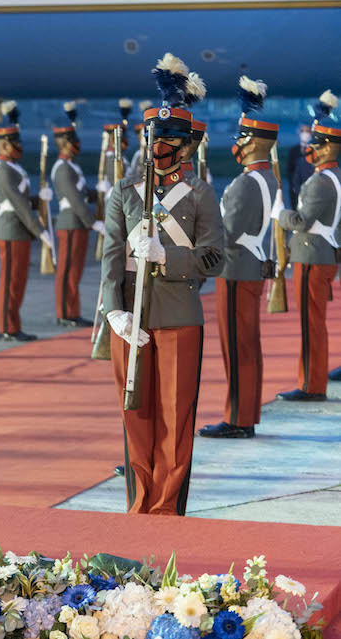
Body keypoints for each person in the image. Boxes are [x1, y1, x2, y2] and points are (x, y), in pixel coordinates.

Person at [101, 52, 225, 515]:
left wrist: (167, 256)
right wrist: (113, 310)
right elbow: (111, 257)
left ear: (188, 146)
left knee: (175, 417)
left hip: (178, 315)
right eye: (156, 135)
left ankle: (167, 506)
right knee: (136, 414)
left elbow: (215, 256)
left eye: (172, 137)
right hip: (129, 316)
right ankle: (140, 500)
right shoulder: (124, 194)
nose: (162, 144)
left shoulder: (201, 194)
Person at [201, 76, 278, 438]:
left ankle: (238, 418)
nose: (237, 144)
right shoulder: (269, 179)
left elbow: (226, 233)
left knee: (236, 346)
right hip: (252, 263)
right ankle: (245, 413)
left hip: (234, 268)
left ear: (252, 143)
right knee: (247, 344)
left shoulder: (246, 183)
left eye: (241, 138)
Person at [273, 89, 341, 399]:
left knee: (310, 324)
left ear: (328, 148)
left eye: (315, 143)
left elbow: (301, 221)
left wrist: (280, 214)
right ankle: (312, 382)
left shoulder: (319, 182)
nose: (310, 148)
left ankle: (311, 386)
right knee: (313, 323)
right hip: (319, 255)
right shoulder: (333, 176)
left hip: (312, 257)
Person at [0, 101, 52, 341]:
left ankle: (13, 324)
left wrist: (39, 199)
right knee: (10, 282)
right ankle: (7, 327)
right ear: (4, 144)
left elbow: (24, 200)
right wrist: (39, 230)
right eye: (14, 143)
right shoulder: (4, 169)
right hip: (12, 229)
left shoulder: (12, 167)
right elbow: (18, 204)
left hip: (18, 230)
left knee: (18, 281)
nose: (19, 147)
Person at [51, 101, 103, 327]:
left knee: (75, 271)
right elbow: (74, 199)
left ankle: (72, 310)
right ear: (64, 144)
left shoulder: (72, 166)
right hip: (71, 222)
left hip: (77, 224)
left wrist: (97, 193)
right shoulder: (63, 168)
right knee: (67, 271)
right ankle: (65, 312)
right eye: (72, 141)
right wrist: (93, 222)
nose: (77, 144)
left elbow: (81, 194)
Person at [285, 124, 315, 209]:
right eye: (303, 131)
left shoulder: (315, 151)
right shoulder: (293, 150)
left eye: (307, 131)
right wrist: (294, 186)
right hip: (295, 189)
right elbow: (289, 170)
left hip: (311, 189)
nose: (305, 134)